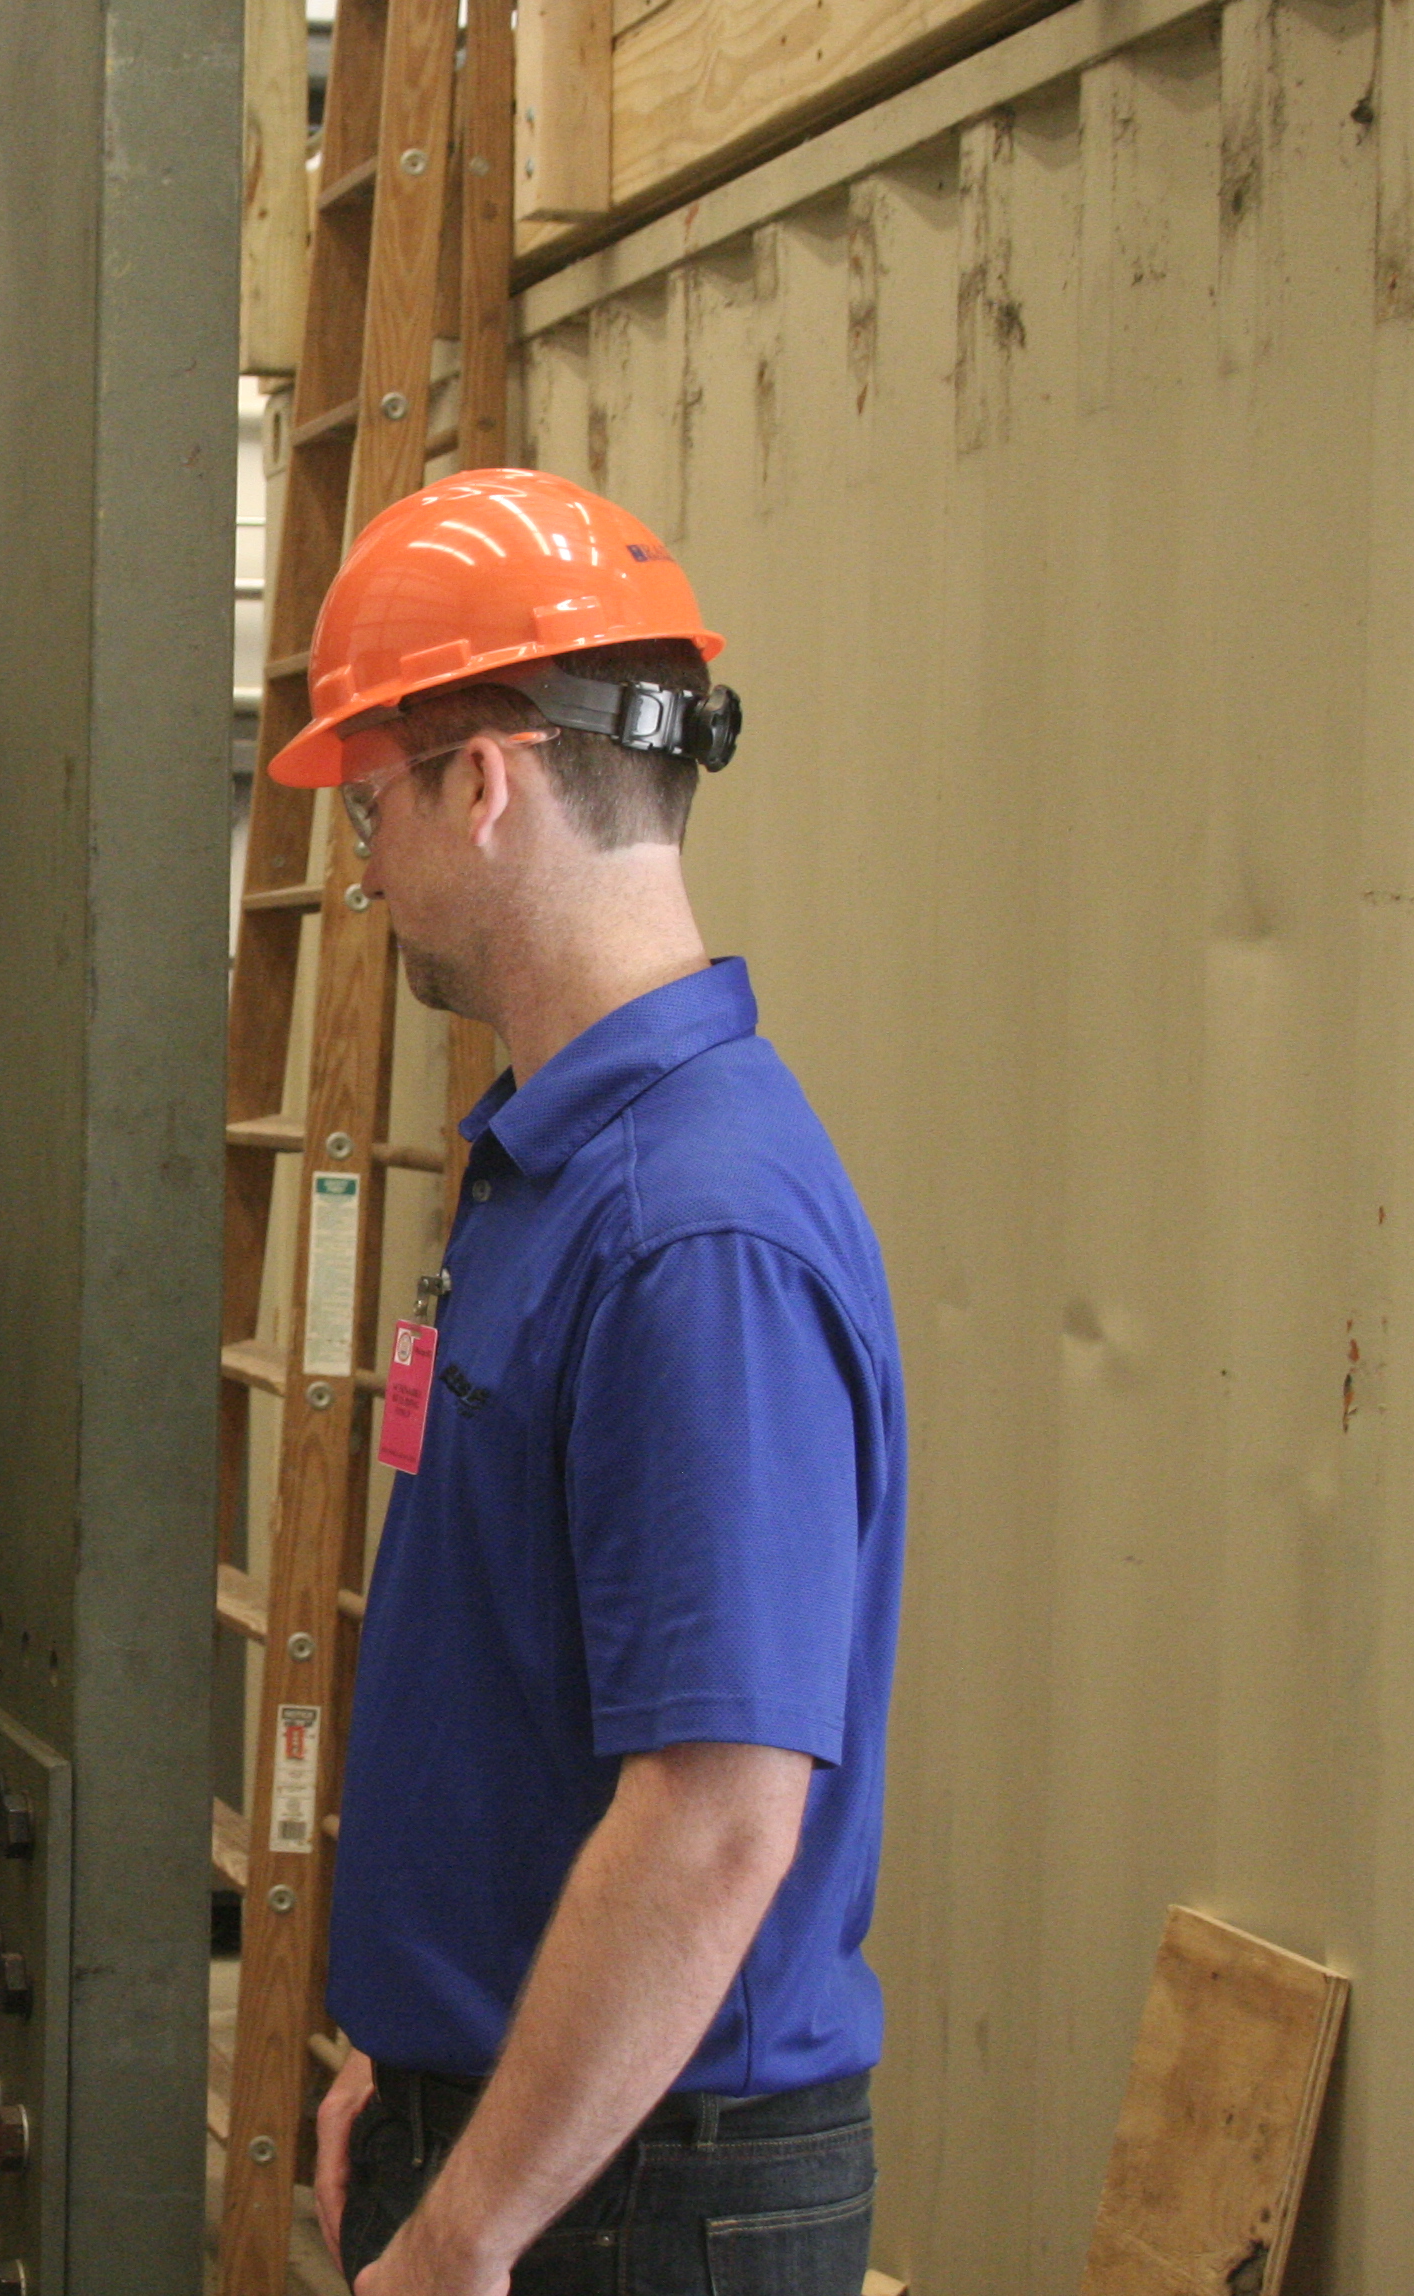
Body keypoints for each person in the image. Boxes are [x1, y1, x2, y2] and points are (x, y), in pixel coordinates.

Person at [272, 469, 906, 2296]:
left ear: (485, 782)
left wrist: (466, 2230)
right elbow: (522, 1688)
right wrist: (414, 2066)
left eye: (373, 801)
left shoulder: (689, 1233)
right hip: (552, 2147)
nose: (363, 861)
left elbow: (716, 1820)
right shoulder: (566, 1170)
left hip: (632, 2208)